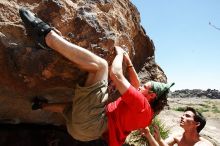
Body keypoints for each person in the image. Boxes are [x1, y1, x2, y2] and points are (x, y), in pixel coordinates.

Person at [19, 8, 174, 146]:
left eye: (146, 87)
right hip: (82, 132)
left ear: (152, 95)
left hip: (90, 123)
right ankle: (40, 105)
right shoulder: (145, 115)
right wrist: (128, 62)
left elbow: (116, 75)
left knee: (100, 67)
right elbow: (135, 85)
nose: (141, 86)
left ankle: (47, 38)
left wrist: (120, 54)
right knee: (70, 107)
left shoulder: (141, 104)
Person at [142, 107, 213, 146]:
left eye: (187, 116)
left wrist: (159, 140)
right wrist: (148, 134)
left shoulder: (203, 144)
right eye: (183, 115)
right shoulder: (177, 137)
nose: (182, 117)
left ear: (197, 124)